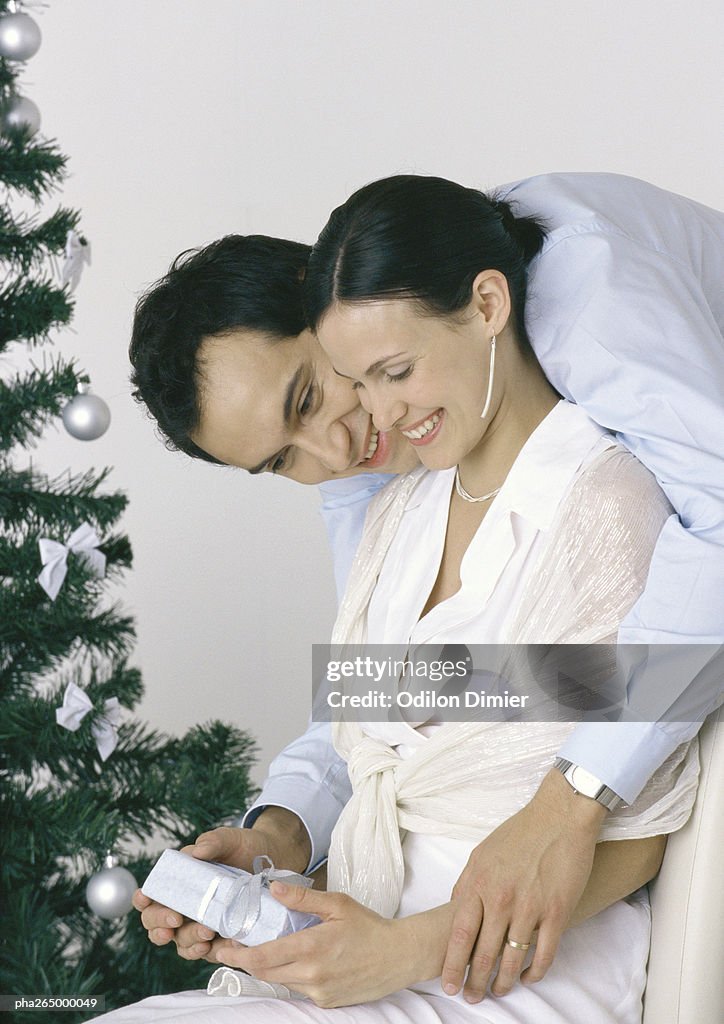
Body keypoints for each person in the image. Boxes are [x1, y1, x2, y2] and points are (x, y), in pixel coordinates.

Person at [92, 175, 701, 1023]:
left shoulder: (605, 454)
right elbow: (376, 713)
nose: (336, 446)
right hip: (381, 941)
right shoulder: (392, 508)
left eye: (317, 392)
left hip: (503, 974)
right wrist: (278, 841)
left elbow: (633, 793)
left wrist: (407, 946)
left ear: (338, 310)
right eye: (281, 462)